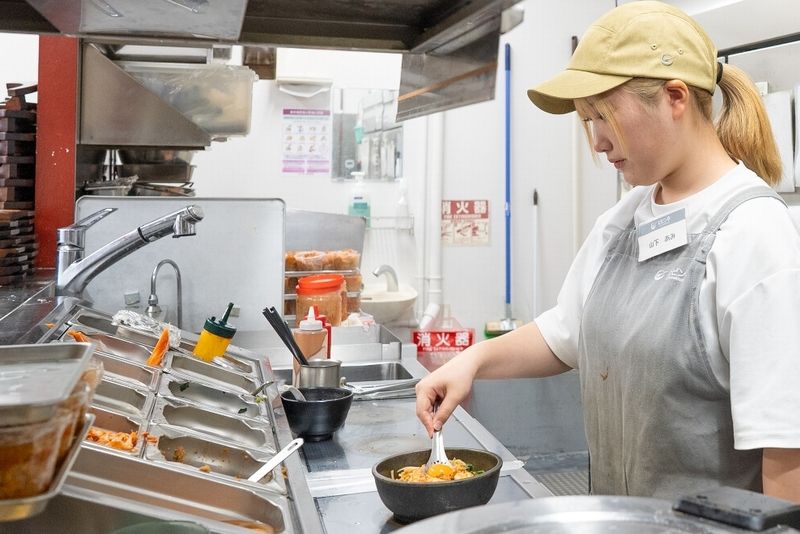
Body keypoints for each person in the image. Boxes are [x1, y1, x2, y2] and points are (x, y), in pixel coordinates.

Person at [415, 1, 800, 502]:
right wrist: (471, 362)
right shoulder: (626, 218)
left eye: (603, 115)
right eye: (587, 120)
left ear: (675, 97)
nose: (596, 142)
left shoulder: (753, 234)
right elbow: (566, 333)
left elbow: (786, 450)